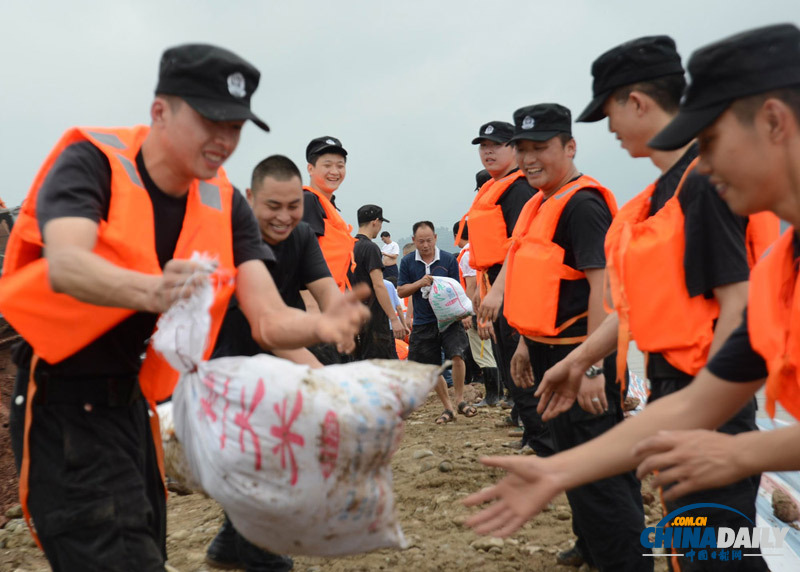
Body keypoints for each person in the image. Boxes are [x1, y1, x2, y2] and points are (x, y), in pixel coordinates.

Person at [0, 44, 368, 571]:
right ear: (160, 111)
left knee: (145, 547)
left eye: (235, 127)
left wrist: (321, 323)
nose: (224, 140)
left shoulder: (225, 201)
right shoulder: (93, 160)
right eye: (210, 121)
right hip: (64, 399)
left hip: (134, 406)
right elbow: (68, 264)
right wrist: (151, 291)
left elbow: (267, 317)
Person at [464, 22, 800, 566]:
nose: (705, 163)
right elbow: (711, 376)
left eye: (711, 139)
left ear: (774, 122)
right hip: (684, 391)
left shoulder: (693, 191)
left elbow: (726, 339)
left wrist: (737, 449)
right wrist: (557, 466)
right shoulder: (717, 220)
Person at [572, 36, 774, 571]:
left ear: (637, 102)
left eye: (610, 113)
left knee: (716, 553)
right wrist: (579, 360)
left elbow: (738, 306)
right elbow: (641, 309)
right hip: (682, 390)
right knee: (700, 549)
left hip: (708, 395)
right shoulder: (667, 191)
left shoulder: (703, 183)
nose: (610, 130)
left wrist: (706, 416)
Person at [480, 103, 649, 571]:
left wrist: (590, 367)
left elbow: (605, 291)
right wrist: (522, 343)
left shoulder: (583, 205)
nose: (529, 159)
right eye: (523, 149)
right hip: (547, 354)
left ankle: (624, 563)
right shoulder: (538, 203)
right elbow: (535, 279)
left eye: (541, 148)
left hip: (581, 355)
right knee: (571, 458)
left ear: (570, 147)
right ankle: (589, 544)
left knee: (600, 470)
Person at [205, 154, 351, 571]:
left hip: (278, 364)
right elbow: (265, 328)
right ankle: (262, 555)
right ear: (249, 197)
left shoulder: (301, 236)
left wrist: (342, 316)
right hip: (229, 363)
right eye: (273, 206)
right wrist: (330, 381)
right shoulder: (231, 240)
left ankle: (230, 543)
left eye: (293, 206)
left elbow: (325, 288)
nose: (284, 217)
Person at [465, 121, 536, 420]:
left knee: (521, 358)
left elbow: (521, 246)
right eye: (483, 146)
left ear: (515, 149)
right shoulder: (494, 189)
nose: (488, 152)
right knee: (505, 355)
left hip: (516, 287)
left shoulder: (519, 190)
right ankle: (525, 420)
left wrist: (497, 290)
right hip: (495, 284)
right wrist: (483, 289)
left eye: (496, 145)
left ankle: (535, 429)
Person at [398, 221, 473, 423]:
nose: (425, 245)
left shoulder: (448, 259)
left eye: (429, 240)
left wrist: (465, 314)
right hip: (423, 321)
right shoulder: (407, 262)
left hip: (449, 318)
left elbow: (457, 289)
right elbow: (401, 291)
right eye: (421, 241)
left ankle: (460, 400)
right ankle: (448, 407)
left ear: (436, 238)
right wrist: (420, 283)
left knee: (457, 356)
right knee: (432, 367)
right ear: (413, 240)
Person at [453, 219, 500, 407]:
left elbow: (471, 286)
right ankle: (498, 394)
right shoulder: (481, 250)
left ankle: (493, 396)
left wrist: (466, 312)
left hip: (476, 310)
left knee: (483, 353)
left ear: (457, 236)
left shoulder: (467, 255)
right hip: (487, 307)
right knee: (490, 350)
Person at [351, 204, 406, 359]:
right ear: (375, 221)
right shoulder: (370, 248)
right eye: (381, 223)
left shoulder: (349, 246)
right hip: (373, 319)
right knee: (380, 364)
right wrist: (393, 319)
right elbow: (378, 285)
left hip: (353, 315)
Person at [302, 136, 355, 292]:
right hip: (314, 299)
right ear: (310, 168)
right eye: (327, 165)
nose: (334, 171)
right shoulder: (308, 201)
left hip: (331, 297)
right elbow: (302, 258)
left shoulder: (327, 206)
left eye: (340, 166)